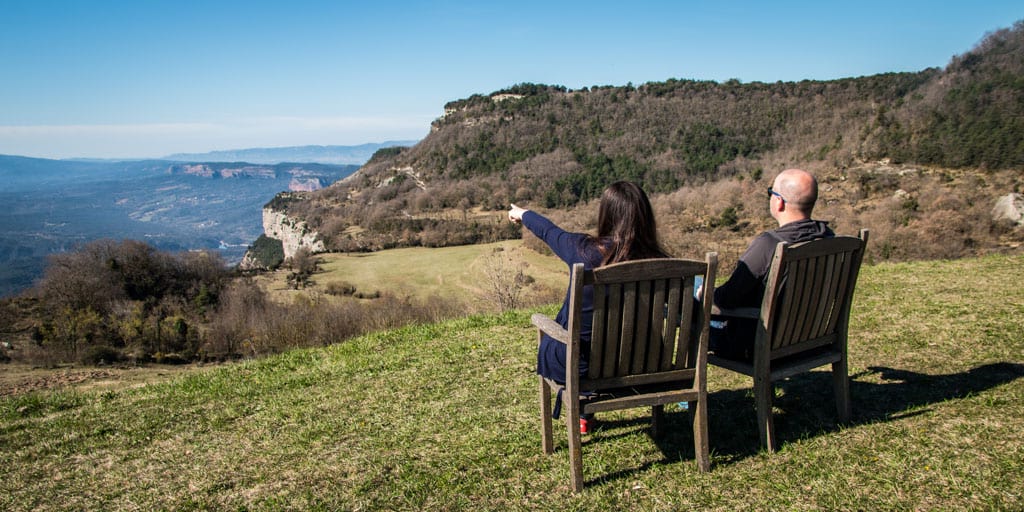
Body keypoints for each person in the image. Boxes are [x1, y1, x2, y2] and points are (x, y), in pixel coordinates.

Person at [508, 181, 669, 433]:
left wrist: (522, 214)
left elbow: (549, 231)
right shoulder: (663, 262)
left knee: (564, 339)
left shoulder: (583, 251)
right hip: (647, 365)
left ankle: (584, 412)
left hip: (584, 367)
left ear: (606, 214)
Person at [704, 168, 834, 360]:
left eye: (770, 193)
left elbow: (727, 298)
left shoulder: (769, 244)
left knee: (696, 290)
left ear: (779, 201)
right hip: (810, 340)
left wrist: (704, 293)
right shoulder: (828, 237)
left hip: (759, 344)